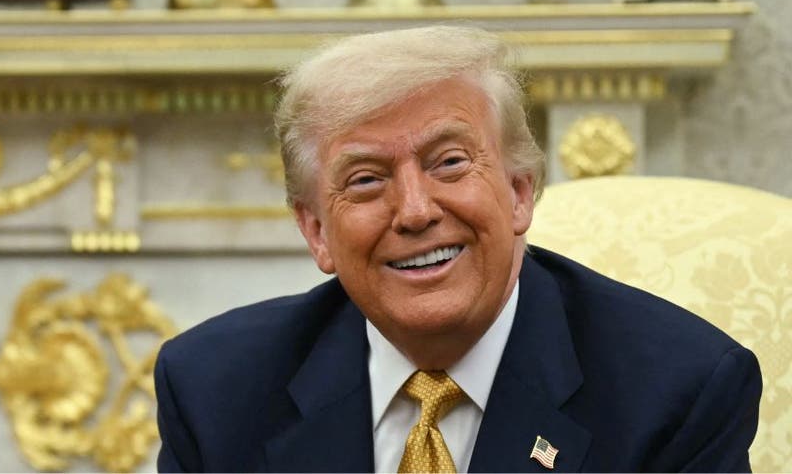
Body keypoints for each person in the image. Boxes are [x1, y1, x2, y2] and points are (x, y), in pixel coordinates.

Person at [154, 25, 761, 472]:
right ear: (315, 231)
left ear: (520, 192)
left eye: (449, 163)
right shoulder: (214, 389)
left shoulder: (679, 391)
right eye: (366, 179)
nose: (416, 212)